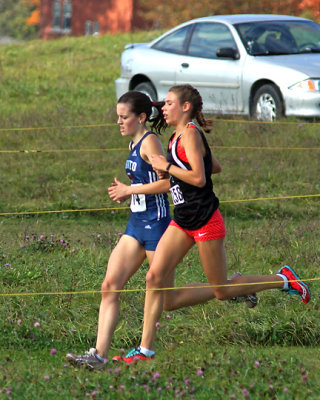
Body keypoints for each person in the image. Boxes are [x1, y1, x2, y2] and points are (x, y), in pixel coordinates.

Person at [114, 84, 311, 364]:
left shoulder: (190, 135)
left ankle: (282, 280)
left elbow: (199, 179)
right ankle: (145, 350)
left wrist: (167, 167)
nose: (163, 108)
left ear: (185, 107)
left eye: (169, 103)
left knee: (221, 290)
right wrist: (175, 163)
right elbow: (212, 166)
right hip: (182, 221)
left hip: (205, 220)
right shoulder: (175, 137)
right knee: (154, 278)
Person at [65, 91, 257, 370]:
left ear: (141, 117)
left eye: (124, 117)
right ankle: (98, 355)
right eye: (117, 117)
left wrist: (131, 189)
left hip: (158, 228)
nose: (118, 122)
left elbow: (169, 183)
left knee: (169, 299)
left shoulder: (151, 142)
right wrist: (131, 194)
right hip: (135, 226)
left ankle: (233, 288)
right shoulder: (135, 143)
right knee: (109, 286)